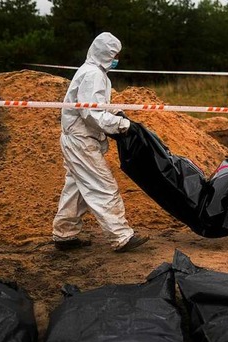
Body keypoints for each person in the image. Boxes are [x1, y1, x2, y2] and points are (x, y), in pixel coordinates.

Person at [52, 32, 149, 252]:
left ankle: (64, 235)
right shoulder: (93, 74)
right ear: (105, 53)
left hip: (78, 139)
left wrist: (118, 113)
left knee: (76, 187)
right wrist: (121, 125)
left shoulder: (95, 73)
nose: (116, 58)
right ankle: (121, 236)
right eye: (114, 54)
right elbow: (91, 113)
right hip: (81, 140)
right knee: (102, 185)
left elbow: (97, 105)